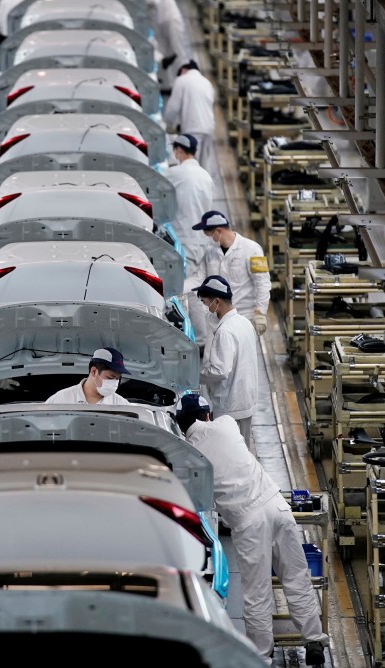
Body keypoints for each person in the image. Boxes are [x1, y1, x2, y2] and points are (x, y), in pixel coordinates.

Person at [174, 394, 328, 666]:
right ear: (208, 415)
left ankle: (262, 653)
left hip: (248, 521)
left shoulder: (190, 454)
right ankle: (314, 639)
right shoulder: (227, 424)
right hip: (276, 505)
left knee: (257, 590)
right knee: (296, 574)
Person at [192, 275, 259, 443]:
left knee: (230, 452)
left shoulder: (225, 331)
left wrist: (193, 375)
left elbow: (220, 371)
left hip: (230, 406)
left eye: (205, 302)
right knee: (242, 452)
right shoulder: (244, 322)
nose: (206, 307)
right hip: (245, 400)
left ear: (217, 301)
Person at [164, 133, 215, 346]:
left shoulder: (175, 173)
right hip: (201, 240)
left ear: (178, 151)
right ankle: (201, 340)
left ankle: (191, 339)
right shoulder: (206, 176)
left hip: (182, 238)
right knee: (196, 289)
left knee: (179, 289)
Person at [193, 210, 270, 335]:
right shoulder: (210, 252)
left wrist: (260, 312)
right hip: (217, 319)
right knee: (213, 354)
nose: (209, 239)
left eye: (210, 235)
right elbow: (199, 279)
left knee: (243, 354)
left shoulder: (252, 249)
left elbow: (263, 282)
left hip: (244, 319)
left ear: (218, 231)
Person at [164, 61, 216, 169]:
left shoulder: (181, 80)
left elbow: (173, 108)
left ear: (183, 70)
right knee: (204, 167)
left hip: (193, 129)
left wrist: (166, 124)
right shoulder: (207, 82)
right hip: (208, 128)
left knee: (190, 166)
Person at [45, 347, 132, 405]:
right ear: (93, 371)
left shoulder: (121, 404)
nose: (114, 383)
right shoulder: (61, 400)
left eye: (118, 378)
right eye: (110, 377)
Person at [148, 0, 191, 93]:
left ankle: (185, 85)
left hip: (171, 18)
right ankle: (167, 85)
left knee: (178, 52)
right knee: (164, 53)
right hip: (160, 20)